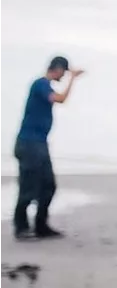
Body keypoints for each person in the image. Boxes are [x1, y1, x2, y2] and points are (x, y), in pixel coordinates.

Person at [13, 56, 82, 239]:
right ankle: (21, 228)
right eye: (64, 72)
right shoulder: (40, 84)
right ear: (57, 68)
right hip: (29, 143)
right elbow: (60, 99)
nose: (64, 76)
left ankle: (41, 225)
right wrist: (73, 79)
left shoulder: (45, 86)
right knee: (28, 187)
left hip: (39, 144)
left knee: (48, 186)